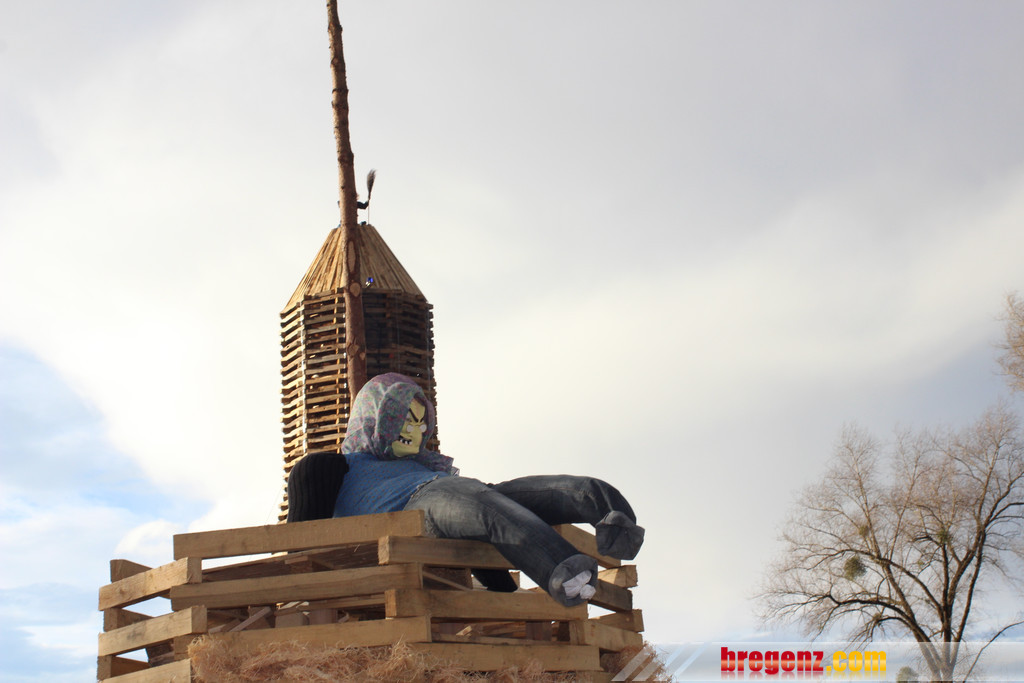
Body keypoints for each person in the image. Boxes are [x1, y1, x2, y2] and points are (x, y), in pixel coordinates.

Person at [328, 372, 644, 606]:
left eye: (422, 423)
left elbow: (476, 523)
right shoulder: (340, 466)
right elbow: (306, 524)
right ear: (377, 418)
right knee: (488, 509)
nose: (417, 431)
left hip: (459, 491)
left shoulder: (422, 464)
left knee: (552, 492)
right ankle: (563, 571)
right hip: (416, 503)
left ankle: (616, 522)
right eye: (406, 420)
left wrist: (501, 588)